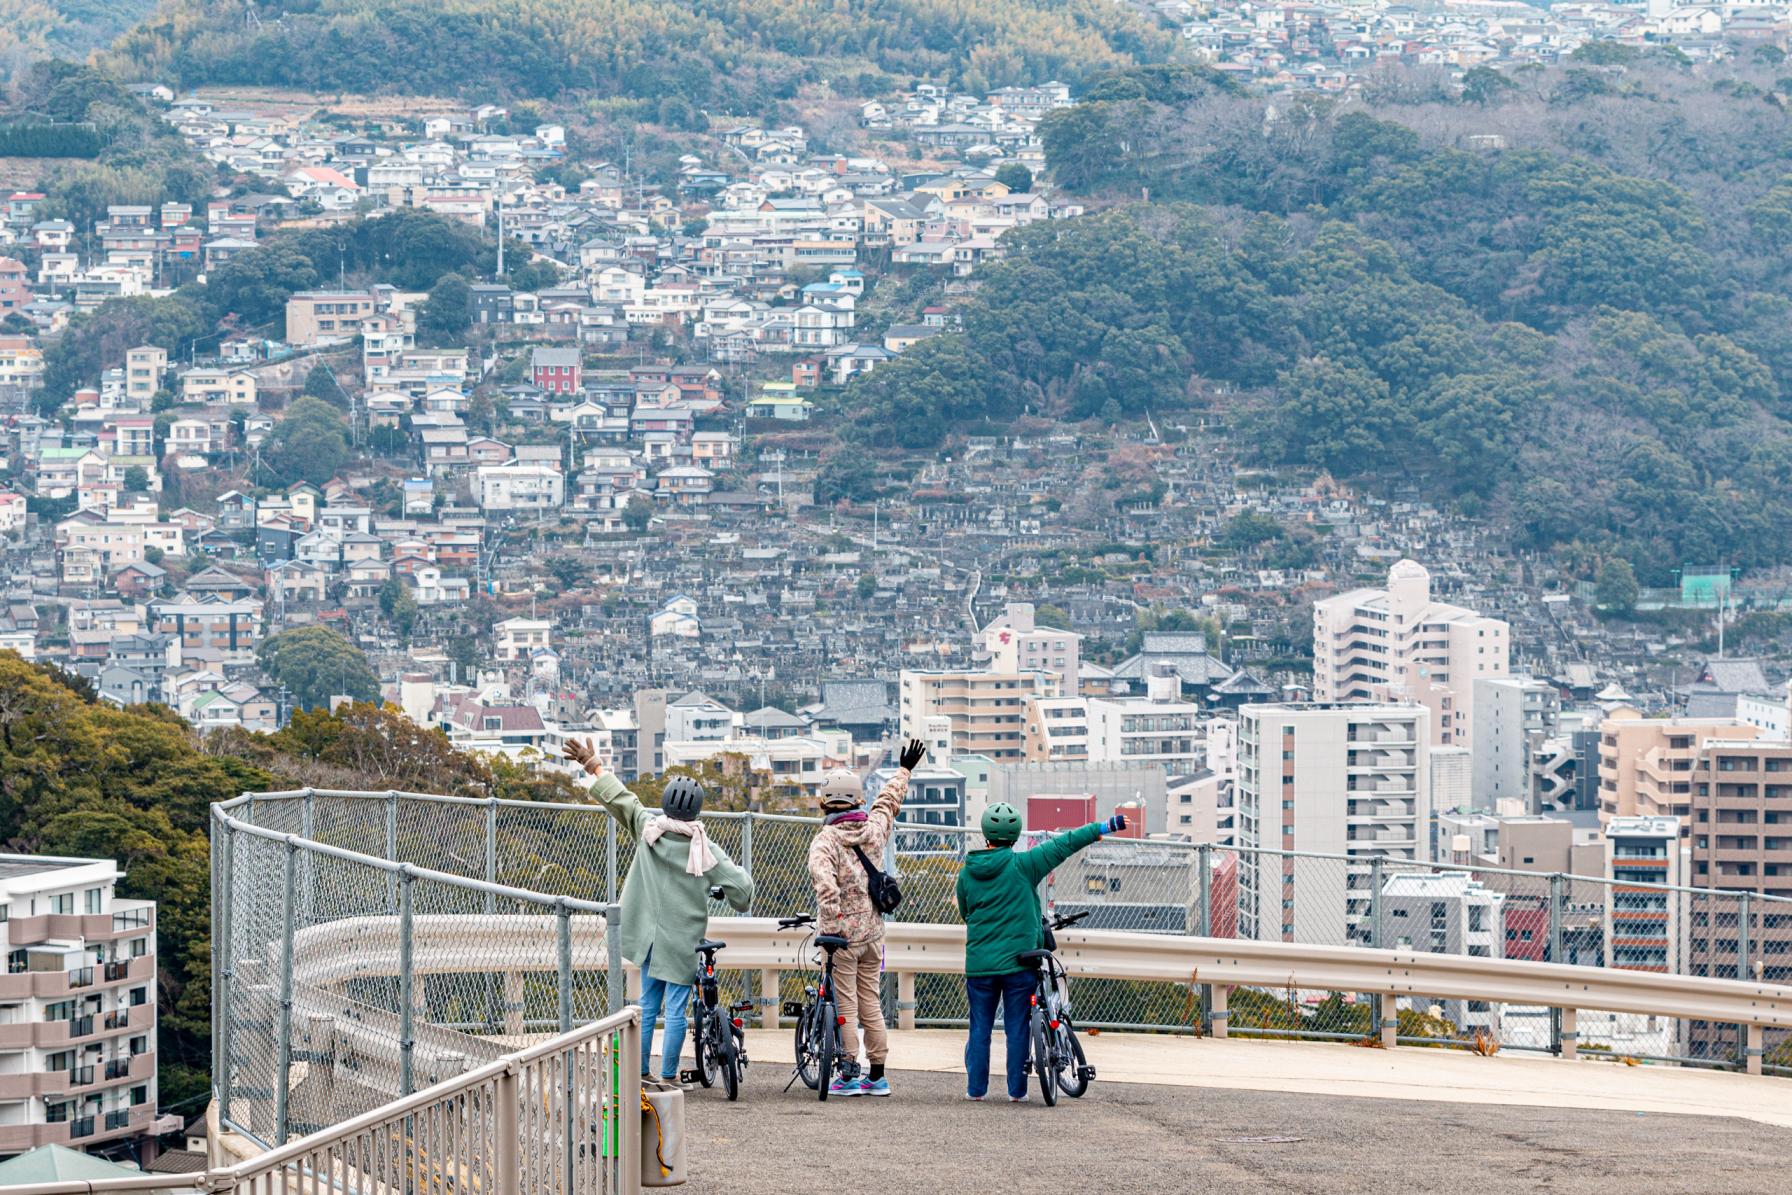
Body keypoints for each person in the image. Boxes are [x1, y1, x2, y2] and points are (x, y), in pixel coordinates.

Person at [564, 738, 754, 1085]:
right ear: (696, 811)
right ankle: (668, 1077)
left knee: (647, 1007)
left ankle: (640, 1075)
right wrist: (730, 891)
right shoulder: (705, 849)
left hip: (649, 938)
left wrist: (592, 765)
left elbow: (621, 799)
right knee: (677, 1010)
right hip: (682, 941)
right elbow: (742, 891)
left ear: (666, 804)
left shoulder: (649, 829)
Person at [955, 802, 1126, 1102]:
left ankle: (976, 1090)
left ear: (986, 833)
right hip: (1020, 962)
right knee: (1017, 1027)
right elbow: (1064, 844)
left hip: (980, 964)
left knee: (979, 1026)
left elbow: (966, 912)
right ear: (1015, 834)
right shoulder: (1025, 865)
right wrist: (1101, 828)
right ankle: (1017, 1092)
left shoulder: (967, 874)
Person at [805, 738, 927, 1097]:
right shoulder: (873, 830)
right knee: (870, 1001)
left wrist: (832, 925)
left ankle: (848, 1073)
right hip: (874, 934)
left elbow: (825, 887)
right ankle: (877, 1075)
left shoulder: (825, 841)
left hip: (843, 939)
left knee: (846, 1004)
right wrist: (905, 769)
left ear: (826, 803)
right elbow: (888, 803)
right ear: (858, 799)